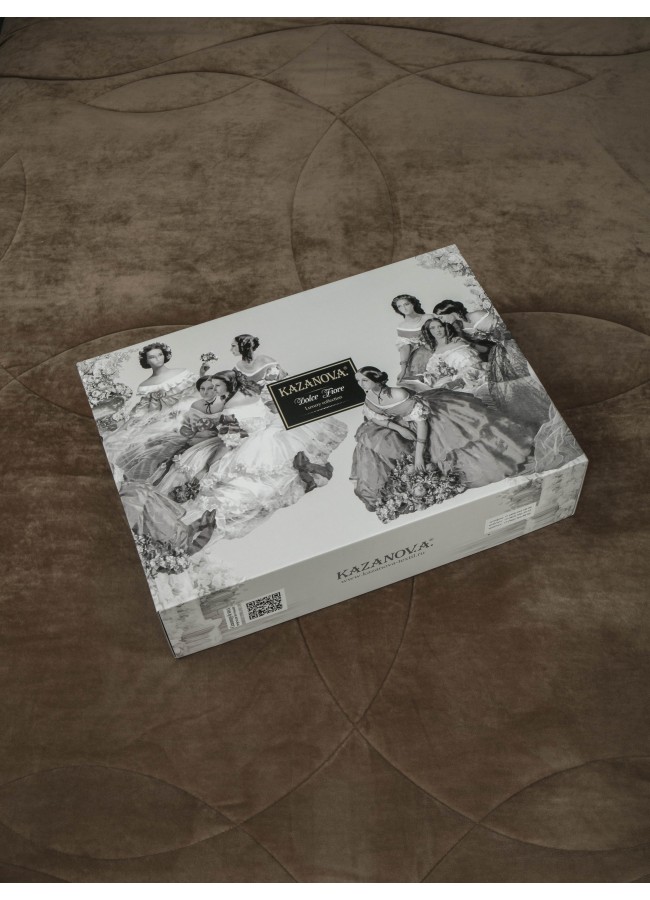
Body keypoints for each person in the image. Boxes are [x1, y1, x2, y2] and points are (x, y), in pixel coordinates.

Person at [182, 370, 346, 539]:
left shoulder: (230, 409)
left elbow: (229, 443)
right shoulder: (250, 391)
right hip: (271, 432)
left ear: (229, 385)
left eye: (217, 385)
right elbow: (268, 409)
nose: (214, 389)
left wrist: (208, 466)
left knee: (226, 478)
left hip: (253, 445)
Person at [351, 366, 535, 512]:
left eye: (364, 380)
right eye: (358, 381)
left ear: (377, 380)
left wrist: (418, 456)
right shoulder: (370, 395)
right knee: (370, 439)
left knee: (450, 445)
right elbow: (375, 417)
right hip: (400, 423)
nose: (360, 384)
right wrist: (398, 428)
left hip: (426, 420)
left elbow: (421, 423)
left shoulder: (399, 394)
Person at [434, 299, 551, 430]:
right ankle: (535, 416)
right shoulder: (459, 327)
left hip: (512, 345)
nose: (441, 321)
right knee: (510, 387)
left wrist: (508, 349)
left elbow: (507, 331)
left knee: (530, 377)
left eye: (441, 317)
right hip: (499, 352)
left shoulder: (476, 316)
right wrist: (467, 342)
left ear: (450, 311)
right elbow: (485, 348)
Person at [420, 317, 491, 404]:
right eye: (432, 328)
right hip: (447, 385)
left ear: (445, 327)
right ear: (428, 331)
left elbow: (475, 368)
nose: (437, 330)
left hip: (470, 383)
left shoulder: (457, 342)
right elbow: (436, 374)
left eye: (440, 326)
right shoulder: (434, 350)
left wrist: (456, 382)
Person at [392, 294, 433, 387]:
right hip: (419, 359)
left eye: (406, 304)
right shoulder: (402, 326)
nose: (404, 308)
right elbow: (405, 347)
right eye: (399, 306)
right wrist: (403, 369)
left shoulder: (428, 317)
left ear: (413, 304)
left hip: (438, 351)